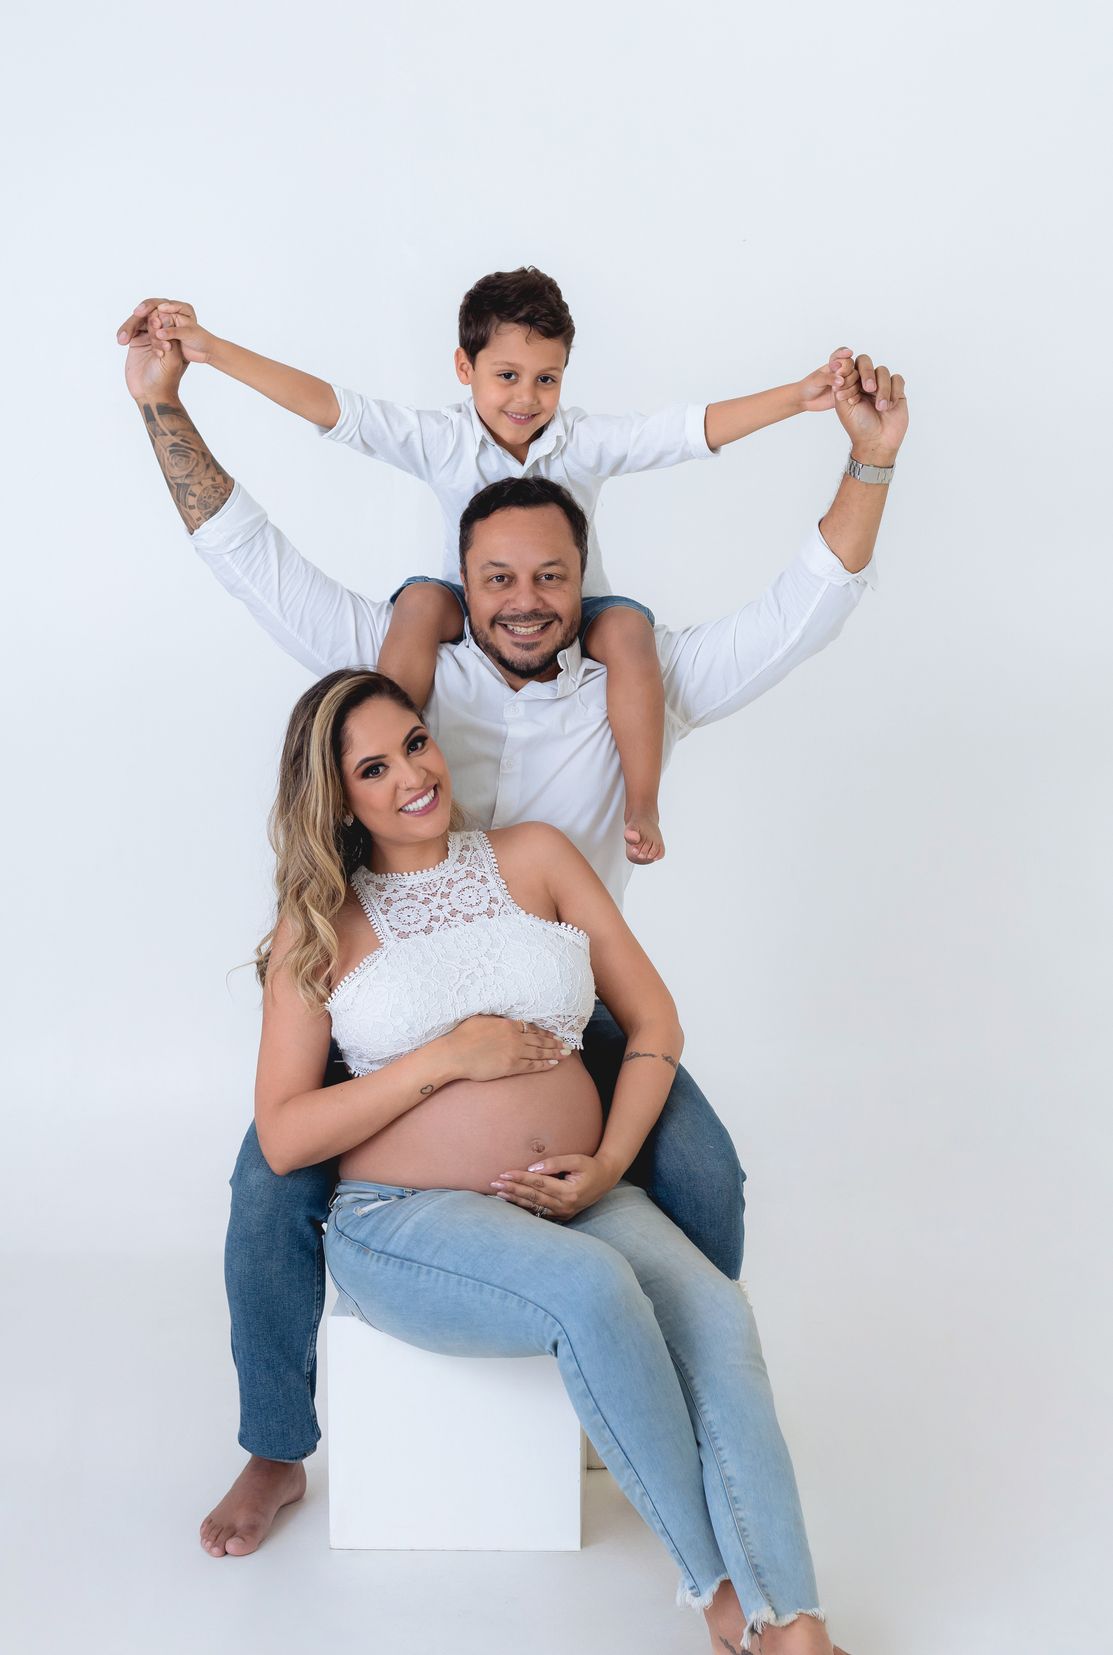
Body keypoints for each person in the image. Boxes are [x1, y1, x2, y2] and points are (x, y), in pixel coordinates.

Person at [119, 318, 907, 1578]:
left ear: (585, 584)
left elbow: (804, 609)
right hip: (397, 1003)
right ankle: (276, 1442)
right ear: (463, 584)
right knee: (266, 1186)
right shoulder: (408, 693)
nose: (525, 601)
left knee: (705, 1172)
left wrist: (868, 460)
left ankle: (651, 1387)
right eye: (497, 580)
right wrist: (166, 403)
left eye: (550, 579)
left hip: (561, 999)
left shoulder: (640, 685)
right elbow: (249, 556)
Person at [252, 662, 892, 1655]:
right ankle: (727, 1604)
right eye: (373, 768)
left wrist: (605, 1167)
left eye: (415, 744)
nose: (411, 776)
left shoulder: (535, 856)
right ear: (337, 800)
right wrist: (450, 1058)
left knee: (717, 1312)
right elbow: (284, 1135)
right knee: (593, 1295)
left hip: (575, 1196)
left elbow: (654, 1024)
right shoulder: (321, 928)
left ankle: (795, 1631)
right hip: (405, 1222)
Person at [117, 267, 868, 863]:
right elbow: (335, 412)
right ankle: (394, 759)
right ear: (464, 367)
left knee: (630, 632)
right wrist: (211, 352)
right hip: (453, 602)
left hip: (585, 615)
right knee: (419, 607)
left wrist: (797, 399)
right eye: (506, 376)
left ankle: (644, 801)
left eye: (547, 378)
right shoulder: (441, 440)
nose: (527, 398)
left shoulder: (582, 440)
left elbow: (686, 433)